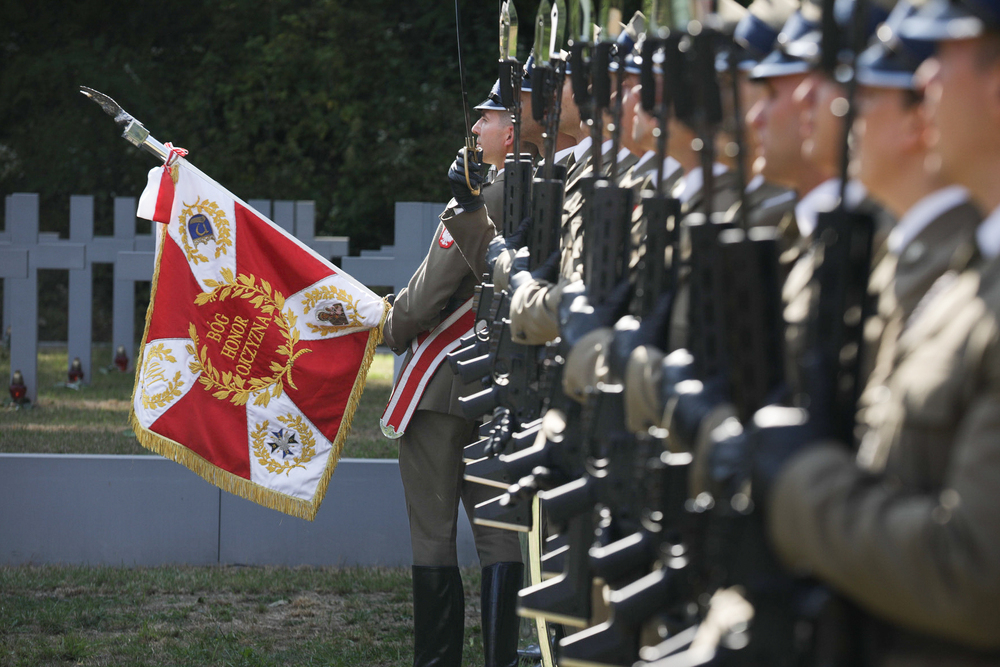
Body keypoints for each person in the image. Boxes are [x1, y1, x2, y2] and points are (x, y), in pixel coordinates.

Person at [380, 79, 524, 667]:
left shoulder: (480, 196)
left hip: (443, 388)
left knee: (433, 535)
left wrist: (390, 325)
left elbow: (427, 297)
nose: (474, 128)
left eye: (486, 118)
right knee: (500, 534)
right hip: (503, 384)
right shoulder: (547, 190)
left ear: (510, 130)